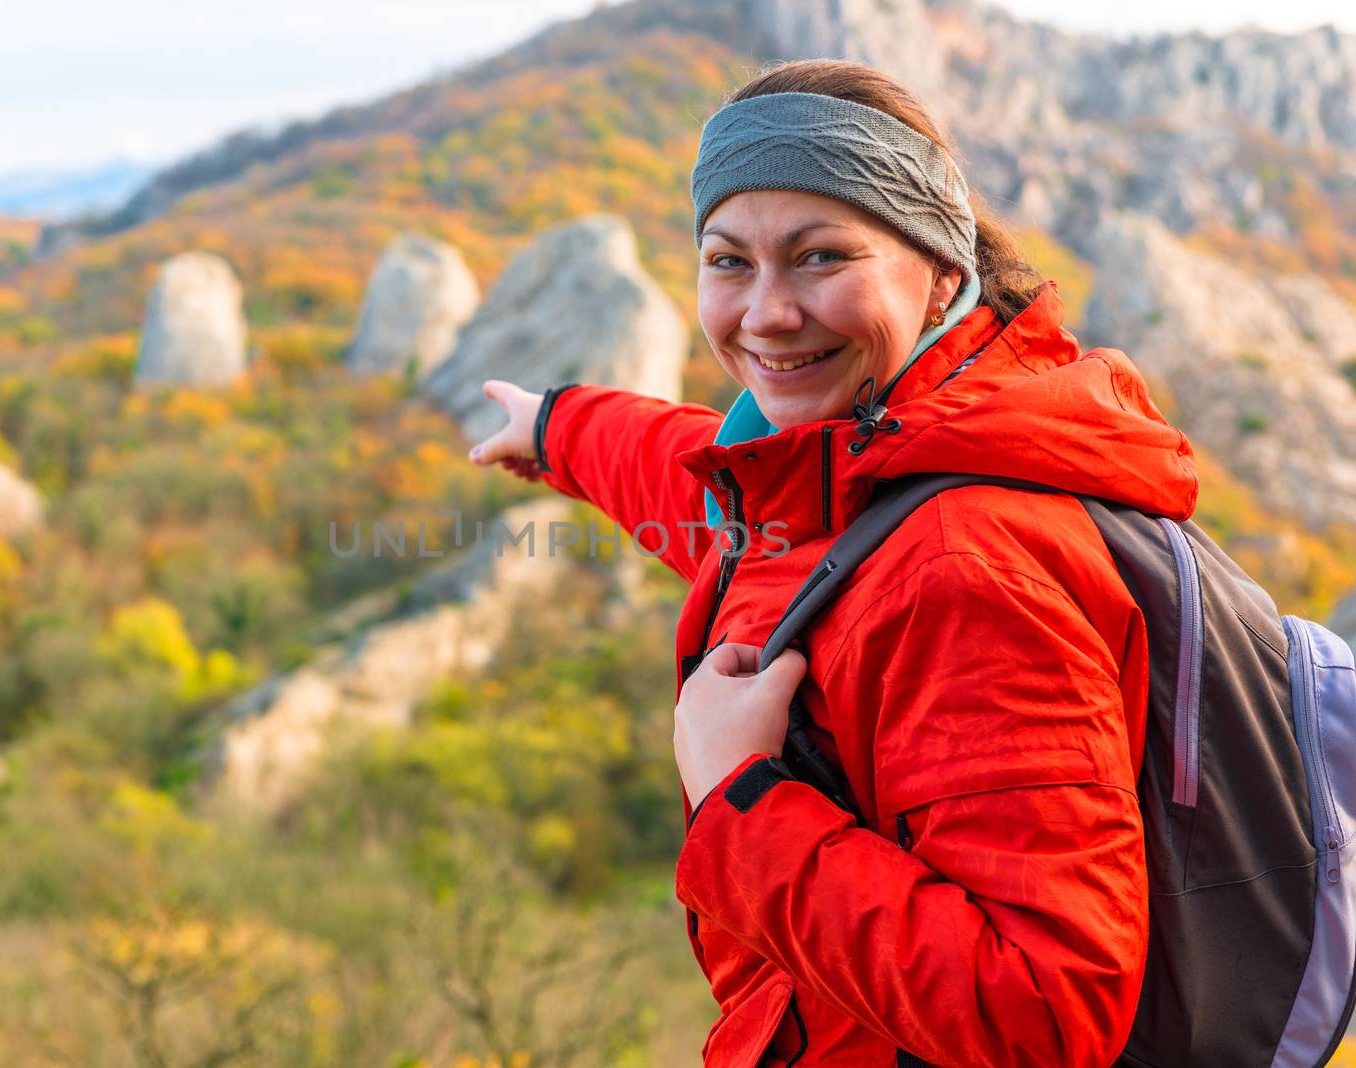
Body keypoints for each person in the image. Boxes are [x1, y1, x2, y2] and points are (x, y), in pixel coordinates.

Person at [468, 58, 1196, 1067]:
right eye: (728, 261)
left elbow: (1043, 1013)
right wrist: (561, 428)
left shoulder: (963, 564)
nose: (765, 313)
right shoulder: (877, 465)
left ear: (940, 270)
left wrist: (739, 793)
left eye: (820, 258)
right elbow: (723, 503)